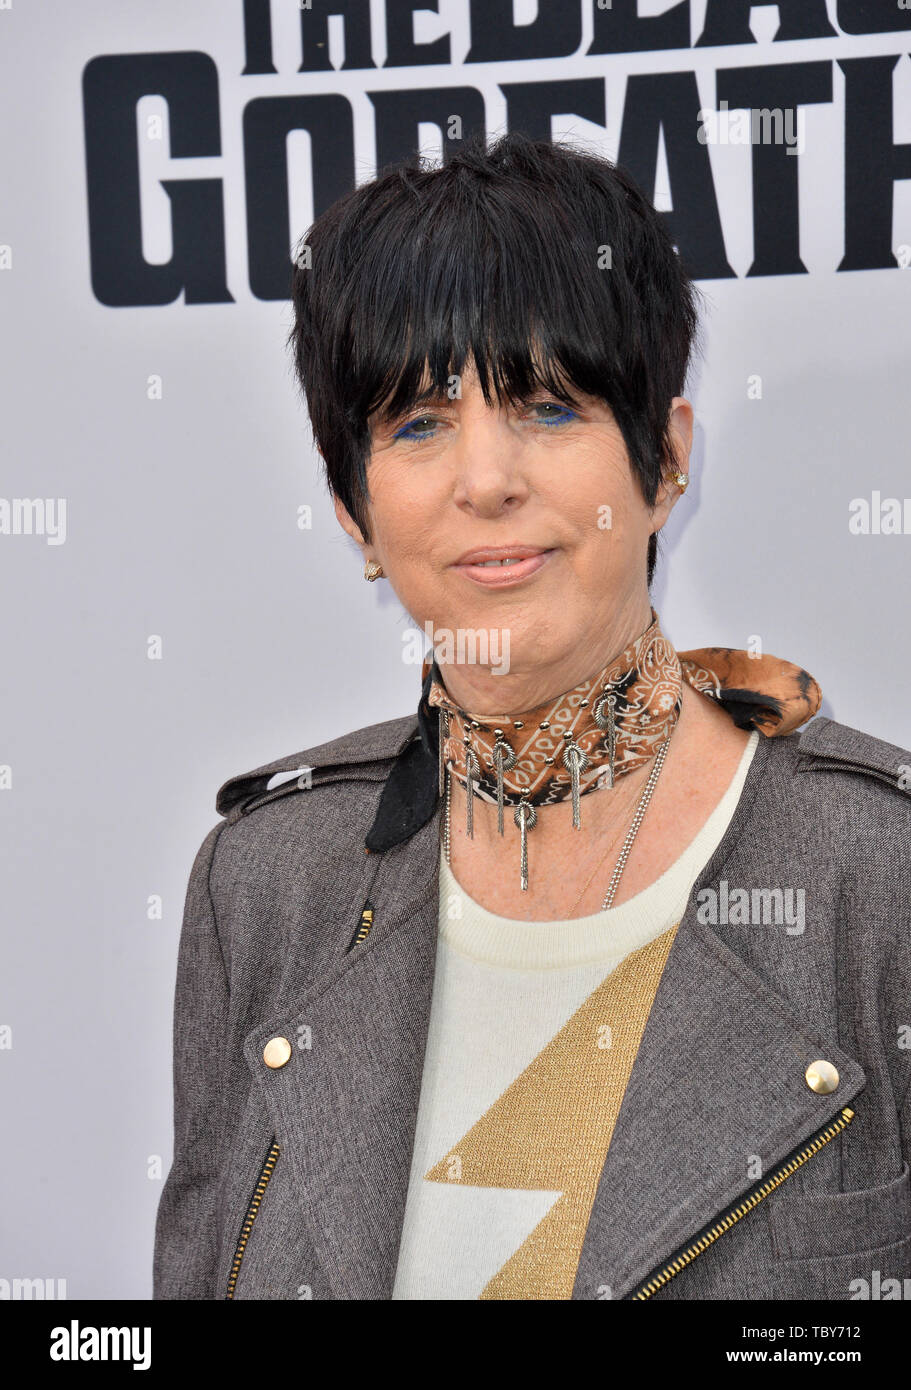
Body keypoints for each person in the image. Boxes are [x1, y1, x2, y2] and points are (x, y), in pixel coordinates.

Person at [153, 130, 911, 1301]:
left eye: (548, 408)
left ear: (662, 460)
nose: (484, 479)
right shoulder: (263, 885)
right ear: (353, 509)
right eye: (415, 422)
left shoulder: (881, 876)